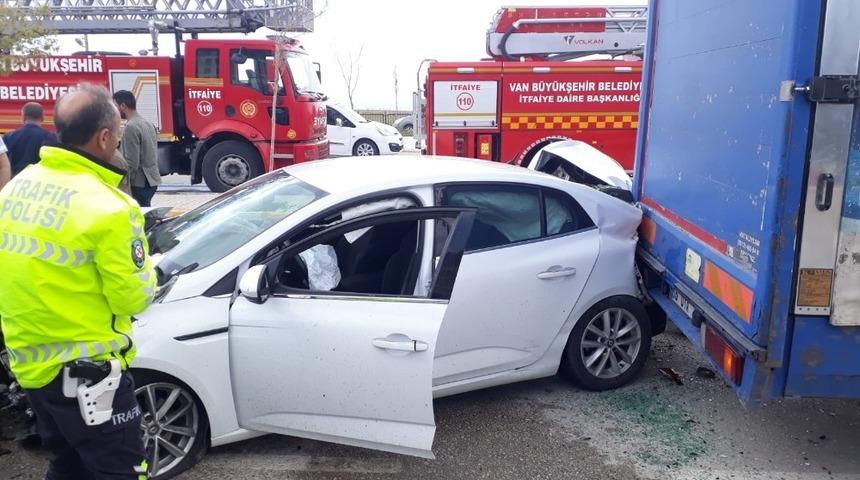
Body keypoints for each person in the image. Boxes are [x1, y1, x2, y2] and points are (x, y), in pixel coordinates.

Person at [0, 83, 156, 479]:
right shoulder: (111, 209)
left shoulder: (17, 188)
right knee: (121, 471)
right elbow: (132, 299)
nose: (119, 139)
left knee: (68, 467)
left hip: (32, 368)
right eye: (118, 133)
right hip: (91, 379)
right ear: (104, 137)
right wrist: (150, 270)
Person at [113, 90, 161, 206]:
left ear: (123, 106)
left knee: (138, 217)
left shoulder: (131, 127)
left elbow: (131, 162)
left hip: (139, 183)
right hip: (151, 181)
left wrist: (121, 182)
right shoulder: (148, 123)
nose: (114, 111)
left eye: (115, 106)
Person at [2, 102, 58, 177]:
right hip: (39, 183)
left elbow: (3, 165)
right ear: (42, 118)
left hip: (15, 183)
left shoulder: (8, 137)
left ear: (23, 118)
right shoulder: (51, 138)